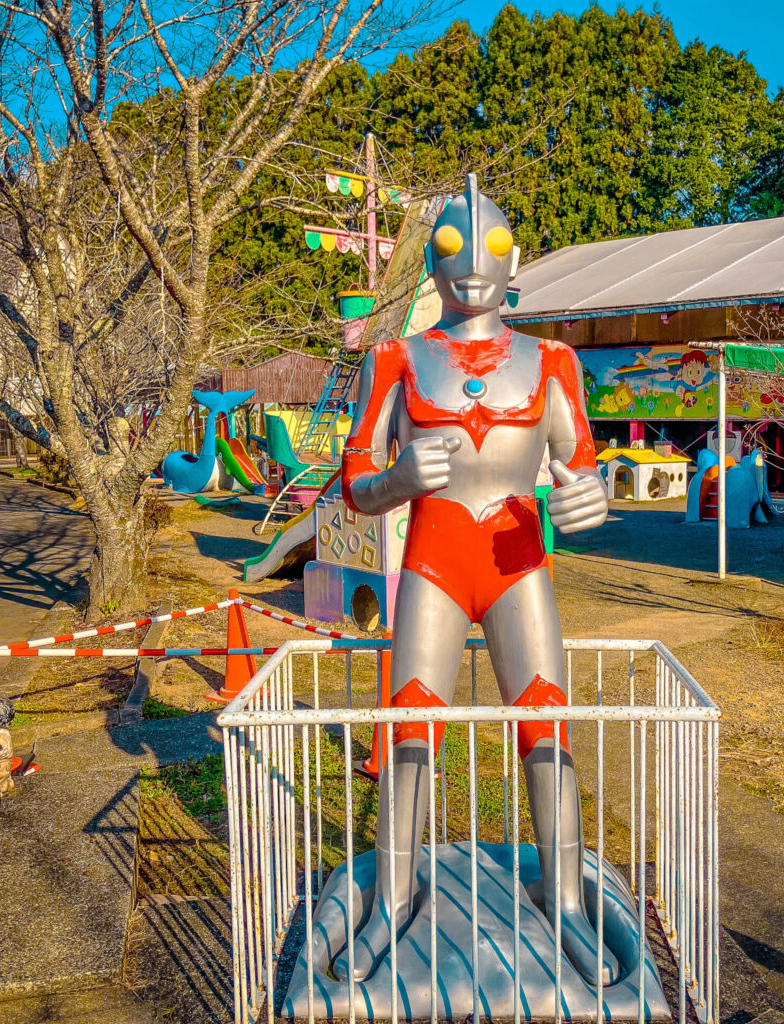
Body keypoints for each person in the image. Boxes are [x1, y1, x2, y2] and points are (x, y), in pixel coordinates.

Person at [337, 175, 612, 985]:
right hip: (432, 559)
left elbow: (580, 461)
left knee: (546, 721)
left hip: (518, 560)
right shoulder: (395, 357)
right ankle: (393, 891)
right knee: (409, 721)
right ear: (431, 259)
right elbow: (353, 473)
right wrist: (393, 484)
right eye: (454, 248)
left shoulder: (552, 359)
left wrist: (588, 499)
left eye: (491, 247)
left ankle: (562, 894)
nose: (474, 267)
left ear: (514, 257)